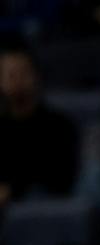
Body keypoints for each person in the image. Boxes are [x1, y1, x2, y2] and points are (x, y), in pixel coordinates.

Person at [0, 44, 80, 204]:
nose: (17, 80)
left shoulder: (59, 126)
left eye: (23, 73)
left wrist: (12, 188)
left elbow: (60, 178)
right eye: (10, 74)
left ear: (36, 76)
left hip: (47, 202)